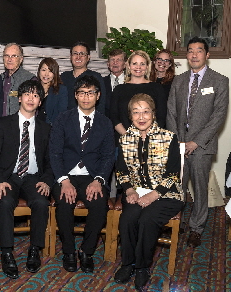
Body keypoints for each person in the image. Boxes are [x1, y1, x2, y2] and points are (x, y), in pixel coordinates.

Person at [114, 93, 184, 291]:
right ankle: (128, 264)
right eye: (136, 112)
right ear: (130, 116)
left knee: (147, 219)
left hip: (166, 194)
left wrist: (153, 195)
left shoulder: (168, 137)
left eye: (146, 111)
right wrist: (129, 190)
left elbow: (172, 175)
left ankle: (143, 267)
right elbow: (121, 170)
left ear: (153, 114)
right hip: (136, 192)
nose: (141, 116)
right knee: (128, 219)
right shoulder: (125, 139)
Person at [0, 80, 54, 279]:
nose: (31, 98)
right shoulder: (3, 123)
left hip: (34, 177)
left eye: (35, 95)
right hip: (8, 177)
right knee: (5, 201)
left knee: (41, 201)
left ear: (40, 101)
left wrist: (48, 180)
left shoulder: (45, 128)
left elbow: (52, 160)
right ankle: (7, 252)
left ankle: (35, 249)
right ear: (19, 98)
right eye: (27, 94)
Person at [167, 36, 229, 248]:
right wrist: (178, 141)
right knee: (178, 187)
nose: (194, 54)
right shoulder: (179, 80)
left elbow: (218, 116)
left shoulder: (220, 81)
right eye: (190, 51)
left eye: (199, 51)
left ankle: (197, 227)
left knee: (200, 188)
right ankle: (178, 221)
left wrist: (196, 142)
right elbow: (171, 112)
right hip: (179, 145)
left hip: (202, 146)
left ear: (207, 55)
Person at [50, 75, 115, 273]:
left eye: (91, 93)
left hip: (92, 176)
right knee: (64, 202)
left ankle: (87, 251)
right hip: (66, 174)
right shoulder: (63, 119)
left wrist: (99, 180)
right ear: (76, 96)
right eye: (82, 93)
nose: (86, 97)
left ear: (98, 95)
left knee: (99, 204)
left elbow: (108, 156)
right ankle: (69, 251)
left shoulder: (105, 123)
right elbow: (54, 152)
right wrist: (63, 180)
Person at [110, 50, 167, 146]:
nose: (138, 67)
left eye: (142, 64)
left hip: (151, 142)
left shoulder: (157, 88)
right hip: (124, 142)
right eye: (134, 63)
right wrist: (128, 137)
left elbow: (161, 117)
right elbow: (114, 117)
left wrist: (147, 137)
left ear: (147, 66)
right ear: (128, 65)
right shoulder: (119, 89)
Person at [60, 41, 106, 113]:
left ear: (88, 57)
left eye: (82, 54)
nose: (78, 57)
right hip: (66, 120)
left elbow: (101, 103)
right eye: (75, 53)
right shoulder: (63, 76)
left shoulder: (96, 77)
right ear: (70, 57)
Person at [1, 43, 35, 116]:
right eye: (7, 56)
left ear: (21, 59)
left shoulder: (30, 79)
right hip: (0, 125)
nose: (9, 59)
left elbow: (33, 108)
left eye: (14, 56)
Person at [36, 58, 68, 125]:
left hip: (51, 128)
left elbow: (62, 115)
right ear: (39, 71)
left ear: (55, 74)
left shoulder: (61, 90)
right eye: (44, 70)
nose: (46, 74)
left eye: (50, 71)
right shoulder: (33, 88)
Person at [103, 49, 126, 116]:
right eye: (112, 60)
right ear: (108, 64)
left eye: (119, 60)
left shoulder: (131, 82)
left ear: (125, 64)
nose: (115, 63)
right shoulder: (101, 82)